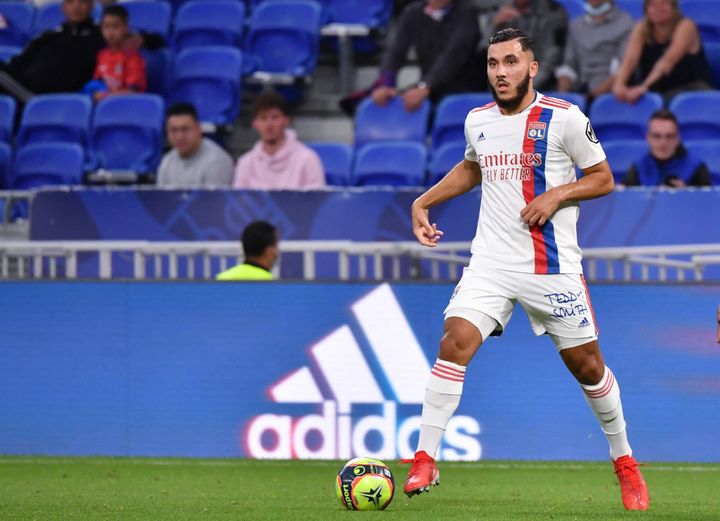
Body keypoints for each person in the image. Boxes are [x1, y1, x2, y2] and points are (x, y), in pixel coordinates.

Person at [402, 28, 649, 511]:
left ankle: (625, 461)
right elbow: (474, 167)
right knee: (454, 341)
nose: (501, 72)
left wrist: (557, 193)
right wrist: (424, 200)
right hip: (491, 263)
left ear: (531, 67)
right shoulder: (477, 120)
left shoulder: (565, 119)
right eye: (494, 63)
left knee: (588, 368)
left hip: (551, 267)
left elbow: (602, 178)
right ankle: (425, 456)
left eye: (511, 62)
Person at [340, 0, 482, 115]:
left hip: (464, 88)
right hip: (429, 87)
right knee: (367, 104)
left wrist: (425, 86)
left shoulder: (467, 12)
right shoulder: (413, 12)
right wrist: (386, 83)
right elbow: (396, 52)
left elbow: (454, 54)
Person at [0, 0, 103, 102]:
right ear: (63, 7)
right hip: (23, 88)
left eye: (82, 2)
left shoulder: (100, 37)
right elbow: (17, 65)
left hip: (44, 97)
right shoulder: (48, 36)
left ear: (92, 6)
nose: (76, 7)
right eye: (70, 2)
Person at [612, 0, 714, 103]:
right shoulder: (641, 28)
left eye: (664, 3)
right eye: (652, 5)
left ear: (674, 7)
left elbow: (667, 61)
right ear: (646, 9)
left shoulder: (686, 25)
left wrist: (644, 87)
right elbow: (630, 59)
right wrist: (619, 85)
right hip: (657, 88)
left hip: (690, 87)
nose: (658, 8)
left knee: (659, 103)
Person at [233, 92, 325, 190]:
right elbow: (238, 203)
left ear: (286, 120)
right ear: (255, 123)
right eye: (263, 118)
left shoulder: (308, 159)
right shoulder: (245, 163)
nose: (269, 125)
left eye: (275, 117)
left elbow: (317, 202)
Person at [555, 0, 634, 99]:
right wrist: (562, 96)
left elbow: (622, 66)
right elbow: (569, 65)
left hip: (609, 93)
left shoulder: (626, 23)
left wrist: (592, 96)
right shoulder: (575, 26)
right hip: (580, 90)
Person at [492, 0, 568, 90]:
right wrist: (495, 26)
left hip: (542, 84)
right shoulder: (502, 10)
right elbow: (485, 52)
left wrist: (527, 84)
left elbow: (552, 57)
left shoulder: (553, 12)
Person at [623, 109, 710, 187]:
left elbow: (708, 203)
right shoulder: (637, 169)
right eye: (657, 136)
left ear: (678, 138)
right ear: (648, 138)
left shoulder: (697, 168)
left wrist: (686, 195)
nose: (663, 142)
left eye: (669, 136)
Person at [157, 103, 234, 188]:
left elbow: (215, 201)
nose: (179, 137)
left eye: (185, 129)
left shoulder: (217, 162)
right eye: (174, 130)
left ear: (198, 129)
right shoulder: (166, 162)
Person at [83, 5, 146, 101]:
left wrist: (105, 96)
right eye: (106, 27)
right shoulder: (102, 55)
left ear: (126, 28)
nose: (110, 32)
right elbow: (98, 83)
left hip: (129, 106)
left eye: (115, 27)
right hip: (105, 107)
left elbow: (133, 91)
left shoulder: (133, 57)